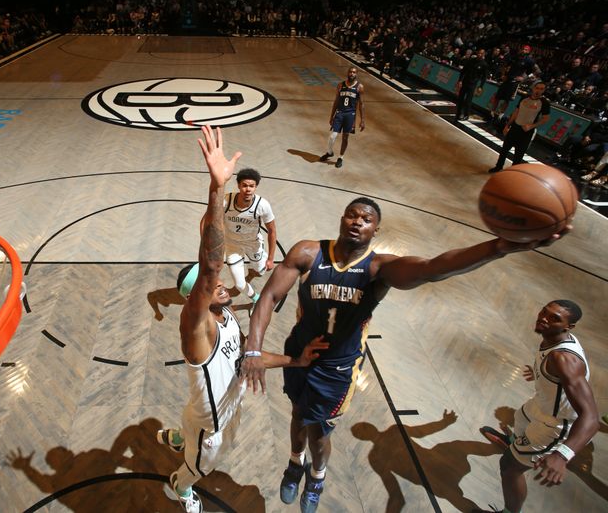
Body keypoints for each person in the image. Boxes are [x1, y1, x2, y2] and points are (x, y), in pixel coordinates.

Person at [241, 197, 569, 513]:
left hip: (338, 368)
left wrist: (498, 248)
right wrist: (254, 348)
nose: (358, 221)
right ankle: (295, 464)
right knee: (298, 414)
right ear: (342, 218)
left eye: (367, 219)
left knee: (318, 432)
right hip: (298, 353)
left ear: (375, 230)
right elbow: (269, 296)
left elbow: (432, 268)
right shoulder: (308, 252)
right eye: (352, 215)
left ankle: (316, 478)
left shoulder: (378, 268)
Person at [158, 125, 327, 513]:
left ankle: (179, 437)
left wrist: (294, 361)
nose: (220, 284)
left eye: (218, 283)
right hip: (209, 426)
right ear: (195, 298)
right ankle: (180, 488)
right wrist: (217, 188)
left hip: (209, 410)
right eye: (211, 284)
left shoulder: (229, 315)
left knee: (193, 421)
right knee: (200, 468)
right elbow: (210, 263)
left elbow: (248, 358)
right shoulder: (196, 328)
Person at [478, 301, 599, 513]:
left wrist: (562, 455)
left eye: (554, 318)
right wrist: (542, 375)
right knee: (520, 418)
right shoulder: (555, 339)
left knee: (508, 467)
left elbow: (591, 418)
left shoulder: (563, 359)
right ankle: (518, 447)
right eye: (545, 311)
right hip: (541, 406)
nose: (544, 318)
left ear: (568, 327)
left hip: (556, 425)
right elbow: (559, 375)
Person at [220, 168, 277, 304]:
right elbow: (214, 221)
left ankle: (253, 267)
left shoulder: (263, 205)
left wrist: (271, 259)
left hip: (253, 243)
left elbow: (272, 231)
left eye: (251, 186)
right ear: (239, 185)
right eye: (244, 185)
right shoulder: (226, 201)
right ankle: (256, 298)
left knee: (260, 270)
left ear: (256, 187)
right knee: (240, 285)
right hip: (232, 245)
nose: (248, 189)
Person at [489, 82, 551, 173]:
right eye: (537, 88)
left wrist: (531, 126)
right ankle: (498, 167)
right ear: (533, 88)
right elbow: (516, 111)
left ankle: (513, 173)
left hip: (526, 132)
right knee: (504, 150)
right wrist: (507, 125)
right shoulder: (524, 98)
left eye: (542, 89)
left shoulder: (544, 103)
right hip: (515, 128)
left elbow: (545, 118)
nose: (538, 90)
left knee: (518, 156)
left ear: (544, 91)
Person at [319, 67, 365, 169]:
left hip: (350, 115)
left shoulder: (359, 87)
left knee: (345, 137)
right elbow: (336, 101)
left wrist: (362, 120)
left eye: (354, 72)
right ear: (347, 73)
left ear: (356, 74)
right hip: (339, 113)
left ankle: (341, 157)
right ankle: (330, 152)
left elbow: (361, 104)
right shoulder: (340, 85)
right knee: (332, 136)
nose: (352, 74)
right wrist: (332, 116)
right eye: (350, 72)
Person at [455, 48, 488, 121]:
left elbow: (484, 77)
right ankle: (458, 113)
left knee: (468, 100)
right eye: (478, 53)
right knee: (460, 98)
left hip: (473, 84)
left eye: (481, 53)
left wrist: (481, 86)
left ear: (483, 55)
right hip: (465, 81)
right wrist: (460, 80)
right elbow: (464, 71)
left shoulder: (484, 64)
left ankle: (466, 115)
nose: (479, 54)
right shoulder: (471, 61)